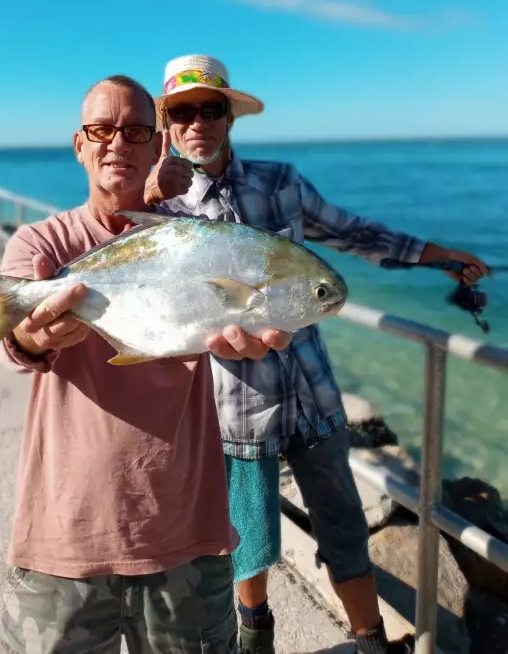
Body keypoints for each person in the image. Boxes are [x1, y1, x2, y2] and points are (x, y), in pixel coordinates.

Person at [144, 54, 488, 654]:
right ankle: (258, 640)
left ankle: (370, 642)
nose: (198, 122)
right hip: (235, 412)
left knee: (346, 529)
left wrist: (439, 255)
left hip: (316, 397)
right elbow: (146, 301)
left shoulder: (280, 182)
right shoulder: (164, 214)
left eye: (211, 108)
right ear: (168, 124)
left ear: (230, 116)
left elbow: (354, 233)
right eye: (182, 111)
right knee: (246, 541)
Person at [0, 74, 292, 654]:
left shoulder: (199, 242)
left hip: (188, 534)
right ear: (79, 144)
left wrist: (253, 338)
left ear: (159, 146)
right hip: (66, 536)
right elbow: (20, 346)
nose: (117, 144)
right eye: (101, 130)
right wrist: (33, 335)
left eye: (134, 131)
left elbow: (229, 299)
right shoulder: (41, 245)